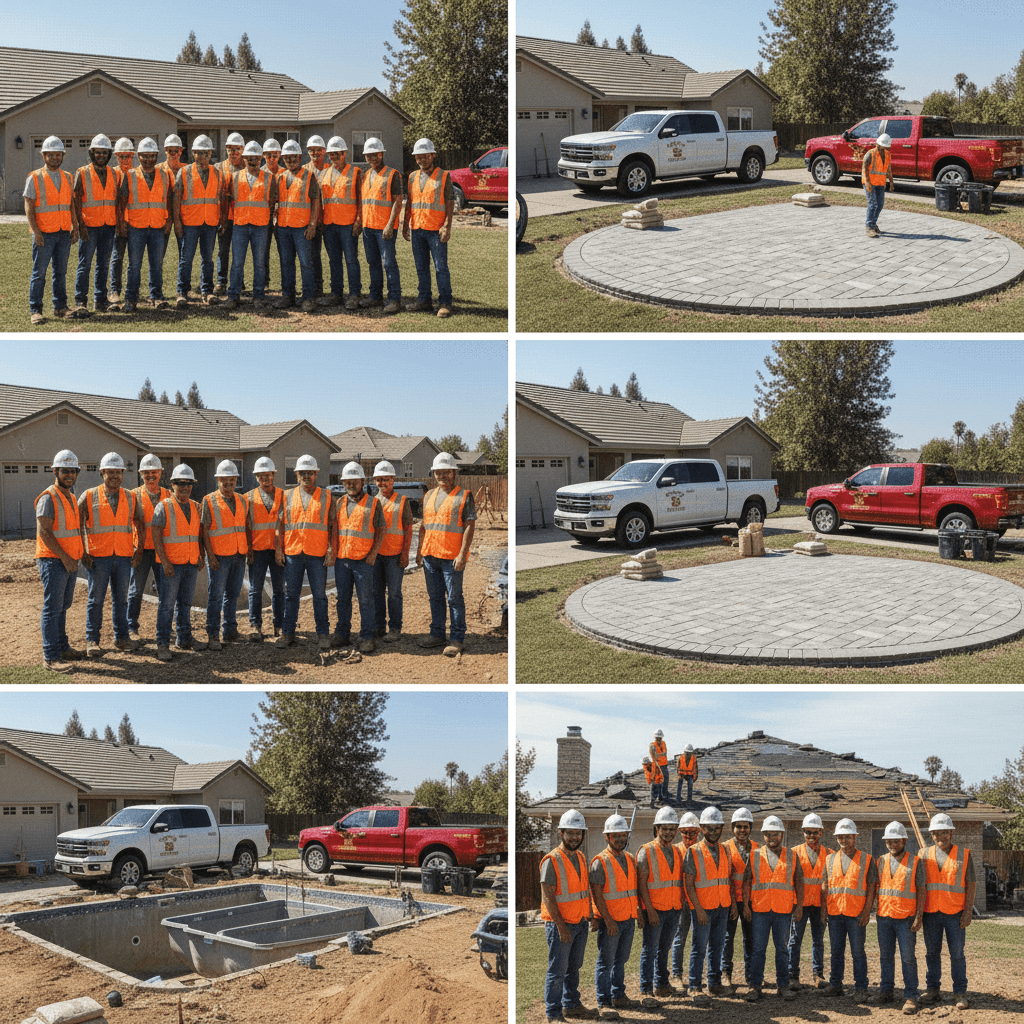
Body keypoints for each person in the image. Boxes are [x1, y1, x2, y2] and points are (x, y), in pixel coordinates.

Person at [78, 452, 139, 657]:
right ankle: (92, 640)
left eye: (118, 472)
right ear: (102, 473)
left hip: (123, 557)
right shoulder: (88, 496)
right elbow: (77, 525)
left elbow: (140, 522)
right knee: (96, 600)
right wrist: (83, 551)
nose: (114, 476)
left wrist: (138, 548)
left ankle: (121, 638)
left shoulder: (131, 497)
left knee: (121, 600)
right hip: (98, 557)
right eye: (110, 472)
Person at [415, 452, 476, 656]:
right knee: (435, 598)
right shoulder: (428, 496)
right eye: (438, 472)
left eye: (446, 472)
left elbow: (469, 526)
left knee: (454, 599)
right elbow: (424, 526)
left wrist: (462, 554)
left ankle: (457, 639)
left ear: (454, 472)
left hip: (452, 557)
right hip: (430, 555)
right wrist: (420, 551)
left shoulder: (464, 496)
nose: (442, 476)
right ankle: (437, 634)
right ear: (434, 474)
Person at [541, 810, 596, 1023]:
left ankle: (571, 1005)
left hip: (580, 922)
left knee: (574, 968)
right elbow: (548, 898)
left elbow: (584, 889)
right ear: (561, 833)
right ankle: (553, 1013)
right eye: (570, 833)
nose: (575, 837)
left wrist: (589, 914)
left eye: (578, 833)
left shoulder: (580, 857)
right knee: (557, 970)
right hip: (560, 926)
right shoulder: (551, 860)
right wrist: (561, 927)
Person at [276, 454, 335, 649]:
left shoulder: (327, 496)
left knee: (319, 595)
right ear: (297, 475)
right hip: (293, 552)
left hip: (317, 553)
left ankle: (323, 634)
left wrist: (331, 548)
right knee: (291, 595)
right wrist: (279, 550)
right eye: (303, 473)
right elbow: (280, 525)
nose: (306, 476)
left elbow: (333, 526)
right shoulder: (286, 496)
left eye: (310, 473)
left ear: (316, 474)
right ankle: (287, 633)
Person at [742, 816, 803, 1002]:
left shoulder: (792, 855)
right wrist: (745, 905)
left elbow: (799, 882)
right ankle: (755, 986)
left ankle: (783, 986)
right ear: (763, 835)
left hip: (783, 911)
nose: (771, 838)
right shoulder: (754, 855)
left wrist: (799, 906)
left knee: (782, 950)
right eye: (768, 834)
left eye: (775, 834)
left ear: (782, 834)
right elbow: (746, 881)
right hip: (759, 910)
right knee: (758, 950)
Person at [34, 450, 85, 671]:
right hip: (53, 561)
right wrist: (65, 558)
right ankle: (51, 657)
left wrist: (75, 557)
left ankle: (63, 647)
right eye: (65, 471)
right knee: (52, 608)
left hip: (69, 561)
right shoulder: (48, 497)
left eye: (73, 471)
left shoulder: (71, 497)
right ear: (55, 471)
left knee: (63, 606)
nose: (69, 475)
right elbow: (44, 532)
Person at [920, 813, 975, 1010]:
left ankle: (960, 993)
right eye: (936, 833)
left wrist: (968, 911)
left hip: (955, 913)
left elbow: (971, 883)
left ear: (951, 833)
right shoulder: (923, 854)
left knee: (957, 954)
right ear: (932, 835)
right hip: (931, 913)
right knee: (932, 953)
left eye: (944, 832)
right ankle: (933, 990)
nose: (940, 836)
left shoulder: (964, 855)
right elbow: (919, 885)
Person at [151, 463, 206, 660]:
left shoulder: (196, 507)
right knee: (166, 606)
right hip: (172, 565)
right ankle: (162, 644)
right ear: (172, 484)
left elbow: (198, 534)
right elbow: (156, 535)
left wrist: (200, 554)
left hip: (190, 563)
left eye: (188, 484)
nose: (185, 487)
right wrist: (164, 562)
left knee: (185, 604)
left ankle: (184, 638)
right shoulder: (163, 506)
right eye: (181, 483)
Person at [682, 806, 735, 1006]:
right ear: (702, 829)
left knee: (717, 946)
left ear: (721, 828)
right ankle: (694, 986)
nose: (713, 832)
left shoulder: (725, 850)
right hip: (703, 908)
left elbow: (727, 879)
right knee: (699, 948)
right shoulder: (693, 851)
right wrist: (698, 909)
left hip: (722, 906)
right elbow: (689, 884)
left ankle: (714, 983)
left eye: (716, 828)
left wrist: (731, 904)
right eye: (709, 828)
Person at [870, 821, 925, 1014]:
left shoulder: (915, 862)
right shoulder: (880, 861)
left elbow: (921, 890)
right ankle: (886, 992)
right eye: (889, 841)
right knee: (886, 957)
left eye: (896, 841)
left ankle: (911, 996)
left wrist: (919, 916)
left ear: (904, 840)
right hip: (884, 917)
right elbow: (875, 887)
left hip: (906, 918)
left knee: (907, 958)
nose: (892, 844)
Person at [821, 818, 878, 1002]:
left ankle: (861, 988)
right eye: (840, 837)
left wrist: (867, 912)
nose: (844, 840)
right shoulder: (829, 859)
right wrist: (824, 910)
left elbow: (871, 887)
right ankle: (835, 985)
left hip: (856, 914)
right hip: (835, 913)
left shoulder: (867, 859)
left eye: (847, 837)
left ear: (855, 837)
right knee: (836, 952)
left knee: (857, 952)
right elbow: (825, 886)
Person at [590, 814, 639, 1020]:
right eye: (615, 835)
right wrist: (608, 920)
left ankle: (618, 996)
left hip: (628, 919)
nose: (620, 839)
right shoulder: (600, 862)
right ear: (607, 837)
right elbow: (597, 895)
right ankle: (604, 1002)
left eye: (623, 835)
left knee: (621, 960)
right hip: (610, 922)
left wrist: (637, 913)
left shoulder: (630, 859)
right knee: (606, 962)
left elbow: (631, 890)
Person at [332, 461, 384, 654]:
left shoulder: (373, 503)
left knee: (366, 600)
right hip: (343, 560)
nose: (351, 485)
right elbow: (334, 531)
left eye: (355, 481)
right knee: (342, 599)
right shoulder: (339, 503)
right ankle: (342, 633)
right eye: (348, 482)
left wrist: (373, 554)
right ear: (343, 483)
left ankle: (367, 636)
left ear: (362, 481)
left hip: (364, 561)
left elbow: (381, 529)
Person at [117, 137, 174, 313]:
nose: (148, 159)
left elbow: (169, 200)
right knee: (134, 265)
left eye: (152, 156)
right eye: (144, 156)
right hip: (136, 226)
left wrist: (168, 221)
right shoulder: (130, 175)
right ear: (138, 156)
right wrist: (122, 223)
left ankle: (156, 296)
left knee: (156, 264)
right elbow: (122, 201)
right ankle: (130, 299)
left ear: (156, 156)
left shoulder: (164, 175)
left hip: (157, 226)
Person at [25, 136, 77, 325]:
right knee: (39, 273)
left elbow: (71, 204)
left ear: (62, 155)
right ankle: (35, 310)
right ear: (44, 155)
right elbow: (29, 206)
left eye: (58, 154)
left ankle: (60, 307)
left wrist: (75, 226)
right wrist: (36, 231)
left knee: (60, 273)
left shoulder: (68, 177)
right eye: (51, 155)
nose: (55, 158)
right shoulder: (34, 177)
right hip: (44, 233)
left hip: (63, 233)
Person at [200, 460, 251, 649]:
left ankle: (230, 631)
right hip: (219, 556)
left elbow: (245, 526)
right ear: (218, 480)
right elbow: (204, 531)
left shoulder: (242, 500)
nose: (229, 485)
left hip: (239, 554)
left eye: (232, 481)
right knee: (216, 596)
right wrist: (210, 556)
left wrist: (248, 550)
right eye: (224, 481)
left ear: (236, 479)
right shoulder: (209, 500)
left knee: (233, 594)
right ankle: (213, 634)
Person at [402, 137, 454, 317]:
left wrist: (447, 225)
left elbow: (450, 202)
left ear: (433, 155)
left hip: (436, 230)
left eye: (425, 156)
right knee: (421, 267)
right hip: (417, 229)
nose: (422, 159)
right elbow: (410, 202)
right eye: (418, 157)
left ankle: (445, 302)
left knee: (441, 268)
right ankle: (424, 300)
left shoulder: (444, 176)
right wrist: (405, 224)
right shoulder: (412, 177)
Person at [637, 806, 683, 1007]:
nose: (669, 833)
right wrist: (649, 910)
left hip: (673, 908)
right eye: (665, 829)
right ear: (657, 829)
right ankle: (646, 989)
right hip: (654, 909)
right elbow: (641, 885)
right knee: (650, 950)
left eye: (672, 829)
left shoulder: (676, 851)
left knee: (664, 948)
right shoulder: (646, 851)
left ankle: (662, 984)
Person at [225, 141, 276, 311]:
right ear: (244, 158)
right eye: (249, 158)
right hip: (240, 225)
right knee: (237, 263)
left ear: (261, 159)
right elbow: (229, 200)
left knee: (259, 263)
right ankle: (233, 296)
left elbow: (272, 201)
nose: (253, 161)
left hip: (260, 226)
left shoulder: (269, 178)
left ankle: (258, 296)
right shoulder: (234, 177)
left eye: (256, 158)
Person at [173, 135, 222, 308]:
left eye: (205, 153)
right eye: (198, 153)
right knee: (186, 259)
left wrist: (220, 219)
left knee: (208, 259)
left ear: (210, 153)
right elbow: (177, 198)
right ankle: (182, 292)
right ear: (193, 153)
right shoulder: (184, 172)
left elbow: (219, 198)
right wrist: (177, 222)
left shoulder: (217, 172)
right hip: (190, 222)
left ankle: (207, 291)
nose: (202, 156)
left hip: (210, 223)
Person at [72, 134, 117, 317]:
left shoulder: (114, 173)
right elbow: (76, 200)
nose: (101, 156)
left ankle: (100, 300)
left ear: (109, 154)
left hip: (108, 226)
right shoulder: (82, 173)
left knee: (103, 265)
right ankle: (80, 301)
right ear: (91, 152)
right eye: (98, 152)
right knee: (85, 265)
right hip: (89, 226)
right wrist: (80, 225)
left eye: (104, 153)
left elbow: (116, 200)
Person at [127, 454, 171, 642]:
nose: (151, 476)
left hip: (163, 551)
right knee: (136, 591)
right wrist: (133, 549)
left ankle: (165, 628)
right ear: (141, 474)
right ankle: (131, 627)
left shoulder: (169, 495)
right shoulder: (133, 496)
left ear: (160, 472)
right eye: (147, 473)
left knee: (165, 591)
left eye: (154, 472)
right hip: (141, 550)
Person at [274, 140, 321, 312]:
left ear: (300, 157)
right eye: (287, 157)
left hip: (302, 227)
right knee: (286, 263)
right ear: (283, 159)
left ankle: (308, 298)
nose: (290, 160)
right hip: (283, 227)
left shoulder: (309, 176)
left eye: (293, 157)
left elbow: (315, 200)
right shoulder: (280, 177)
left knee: (306, 263)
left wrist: (312, 224)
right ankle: (288, 296)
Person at [358, 137, 403, 314]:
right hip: (368, 227)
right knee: (373, 263)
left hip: (384, 228)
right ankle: (375, 296)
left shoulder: (393, 174)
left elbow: (397, 201)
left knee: (389, 263)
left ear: (382, 154)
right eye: (368, 155)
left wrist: (390, 225)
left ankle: (394, 299)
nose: (372, 158)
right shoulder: (366, 175)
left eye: (375, 154)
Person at [318, 136, 362, 310]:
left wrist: (358, 220)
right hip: (329, 224)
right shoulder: (323, 174)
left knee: (351, 260)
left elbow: (360, 199)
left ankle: (354, 294)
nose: (335, 157)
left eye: (338, 153)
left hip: (348, 224)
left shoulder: (356, 172)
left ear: (345, 153)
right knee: (334, 260)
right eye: (332, 154)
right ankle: (336, 294)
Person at [371, 461, 413, 642]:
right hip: (376, 555)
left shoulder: (402, 501)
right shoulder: (372, 502)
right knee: (377, 593)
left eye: (386, 479)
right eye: (379, 480)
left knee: (394, 593)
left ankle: (395, 628)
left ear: (393, 480)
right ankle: (379, 626)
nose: (383, 483)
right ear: (375, 481)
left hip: (395, 555)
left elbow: (408, 529)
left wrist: (405, 553)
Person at [246, 457, 286, 640]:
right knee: (255, 589)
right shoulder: (248, 498)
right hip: (258, 550)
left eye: (268, 475)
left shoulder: (283, 496)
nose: (265, 479)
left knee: (279, 589)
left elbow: (284, 524)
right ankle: (255, 625)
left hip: (278, 549)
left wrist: (280, 549)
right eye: (261, 476)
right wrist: (249, 549)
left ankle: (279, 625)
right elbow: (246, 525)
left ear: (273, 475)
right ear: (256, 477)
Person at [788, 813, 828, 992]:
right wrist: (795, 906)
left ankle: (818, 975)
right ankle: (792, 975)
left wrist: (825, 909)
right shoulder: (794, 853)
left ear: (821, 832)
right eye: (808, 832)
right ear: (803, 832)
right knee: (795, 940)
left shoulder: (829, 854)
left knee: (818, 941)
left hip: (820, 905)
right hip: (800, 905)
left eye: (815, 832)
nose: (811, 836)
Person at [723, 806, 758, 989]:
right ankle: (725, 973)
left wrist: (746, 904)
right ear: (733, 828)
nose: (742, 830)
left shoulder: (758, 849)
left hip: (751, 901)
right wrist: (734, 904)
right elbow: (727, 877)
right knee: (727, 938)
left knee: (750, 938)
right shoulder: (725, 848)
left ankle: (751, 976)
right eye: (738, 826)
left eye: (746, 826)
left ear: (750, 828)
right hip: (731, 900)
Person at [670, 811, 702, 985]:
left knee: (699, 940)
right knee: (679, 939)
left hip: (700, 902)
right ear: (680, 832)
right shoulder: (674, 851)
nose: (689, 836)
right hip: (681, 903)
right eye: (685, 832)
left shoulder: (702, 850)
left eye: (692, 832)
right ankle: (676, 974)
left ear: (699, 832)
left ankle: (696, 976)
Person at [214, 132, 246, 295]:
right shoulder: (218, 167)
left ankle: (238, 281)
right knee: (223, 250)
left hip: (242, 216)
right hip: (224, 216)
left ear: (243, 149)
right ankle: (221, 281)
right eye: (230, 149)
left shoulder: (248, 167)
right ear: (226, 149)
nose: (234, 152)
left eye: (237, 149)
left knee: (239, 251)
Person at [106, 137, 135, 310]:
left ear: (133, 155)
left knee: (134, 260)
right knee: (117, 257)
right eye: (121, 156)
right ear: (116, 156)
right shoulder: (112, 174)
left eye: (127, 156)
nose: (124, 159)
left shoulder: (137, 174)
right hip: (118, 222)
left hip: (136, 223)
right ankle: (114, 290)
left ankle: (131, 292)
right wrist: (119, 222)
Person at [303, 135, 328, 297]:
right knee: (312, 255)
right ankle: (316, 287)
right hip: (312, 220)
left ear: (324, 151)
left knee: (334, 257)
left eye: (318, 150)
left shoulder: (330, 169)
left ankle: (334, 289)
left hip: (330, 220)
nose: (315, 153)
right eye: (312, 150)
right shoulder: (303, 170)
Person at [158, 134, 185, 269]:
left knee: (185, 255)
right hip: (164, 217)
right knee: (158, 255)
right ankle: (156, 281)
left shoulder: (187, 169)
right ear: (165, 151)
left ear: (181, 151)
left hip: (184, 216)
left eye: (176, 151)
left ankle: (183, 281)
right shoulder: (157, 170)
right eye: (170, 151)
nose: (174, 154)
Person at [260, 138, 283, 290]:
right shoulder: (260, 173)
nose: (272, 158)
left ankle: (286, 283)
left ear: (279, 155)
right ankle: (264, 282)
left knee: (284, 252)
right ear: (263, 155)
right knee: (263, 252)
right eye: (269, 155)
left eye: (275, 155)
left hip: (282, 217)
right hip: (264, 217)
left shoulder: (285, 172)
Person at [862, 133, 894, 238]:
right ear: (879, 145)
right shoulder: (870, 154)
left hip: (880, 183)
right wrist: (867, 182)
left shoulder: (888, 155)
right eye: (885, 146)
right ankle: (869, 227)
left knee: (879, 205)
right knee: (873, 204)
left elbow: (888, 169)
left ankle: (873, 224)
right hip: (870, 182)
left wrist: (891, 181)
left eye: (888, 147)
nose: (887, 148)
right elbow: (864, 169)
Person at [649, 730, 669, 805]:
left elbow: (665, 752)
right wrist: (660, 755)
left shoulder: (663, 743)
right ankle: (654, 798)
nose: (659, 739)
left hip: (664, 764)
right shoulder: (652, 745)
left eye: (660, 738)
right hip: (656, 766)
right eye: (657, 738)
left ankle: (663, 795)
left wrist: (658, 754)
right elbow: (654, 755)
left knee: (665, 780)